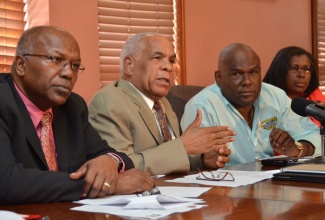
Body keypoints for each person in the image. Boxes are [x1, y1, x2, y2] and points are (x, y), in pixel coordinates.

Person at [0, 26, 154, 205]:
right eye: (56, 59)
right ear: (21, 65)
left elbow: (110, 154)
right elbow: (6, 182)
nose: (68, 74)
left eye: (75, 66)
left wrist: (109, 161)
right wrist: (107, 184)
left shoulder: (72, 107)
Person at [88, 32, 236, 175]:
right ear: (129, 65)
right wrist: (184, 146)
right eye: (157, 58)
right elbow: (120, 167)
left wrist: (201, 160)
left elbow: (167, 160)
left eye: (171, 61)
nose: (169, 67)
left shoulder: (162, 102)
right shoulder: (109, 101)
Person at [181, 43, 321, 166]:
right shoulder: (202, 107)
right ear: (219, 78)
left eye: (253, 72)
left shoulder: (275, 97)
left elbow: (315, 136)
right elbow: (188, 160)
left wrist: (298, 149)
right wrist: (204, 161)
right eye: (236, 74)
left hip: (270, 183)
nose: (247, 81)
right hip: (226, 187)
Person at [263, 46, 325, 126]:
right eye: (294, 68)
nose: (302, 75)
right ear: (280, 70)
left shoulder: (313, 94)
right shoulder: (266, 99)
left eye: (306, 69)